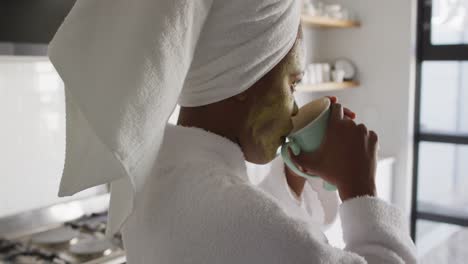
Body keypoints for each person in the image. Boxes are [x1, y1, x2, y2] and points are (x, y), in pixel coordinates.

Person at [48, 0, 417, 263]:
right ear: (246, 78)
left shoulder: (153, 179)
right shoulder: (244, 222)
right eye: (292, 84)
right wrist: (361, 188)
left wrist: (293, 179)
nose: (293, 106)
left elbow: (258, 227)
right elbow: (267, 234)